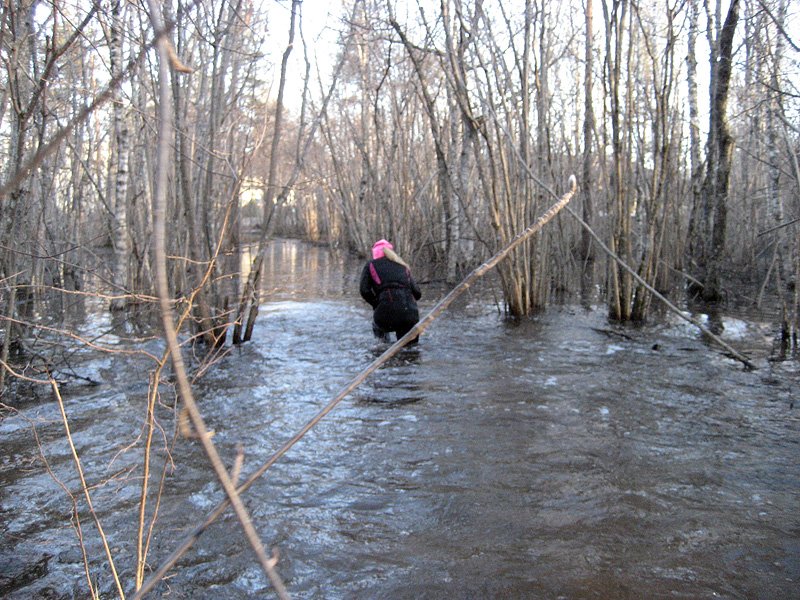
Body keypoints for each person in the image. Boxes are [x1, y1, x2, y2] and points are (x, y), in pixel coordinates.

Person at [360, 239, 422, 343]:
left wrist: (376, 303)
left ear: (375, 253)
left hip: (385, 315)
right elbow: (417, 293)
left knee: (381, 343)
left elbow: (364, 290)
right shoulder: (403, 265)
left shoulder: (371, 265)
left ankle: (382, 348)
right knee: (410, 350)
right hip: (410, 314)